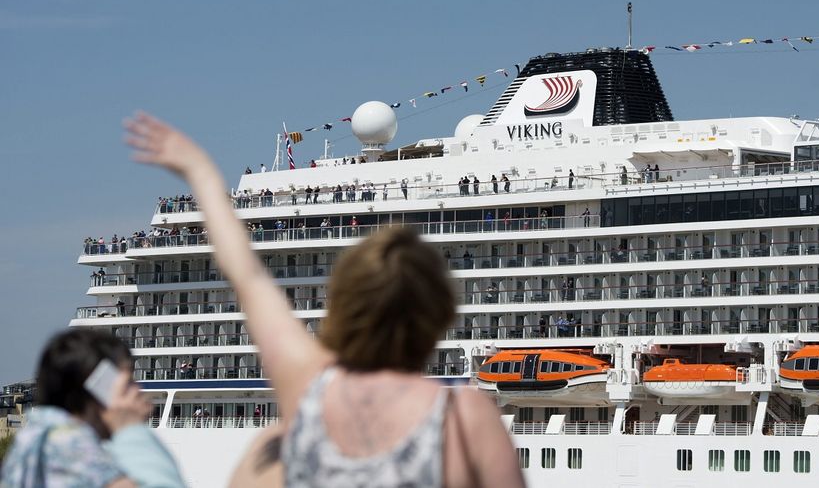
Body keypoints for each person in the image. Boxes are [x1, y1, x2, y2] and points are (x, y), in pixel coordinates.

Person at [124, 112, 524, 488]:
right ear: (441, 312)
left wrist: (200, 172)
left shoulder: (307, 390)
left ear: (340, 304)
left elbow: (247, 275)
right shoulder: (466, 420)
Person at [0, 329, 184, 487]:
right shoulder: (66, 441)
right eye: (128, 381)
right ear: (100, 386)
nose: (138, 389)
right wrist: (130, 428)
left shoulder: (38, 434)